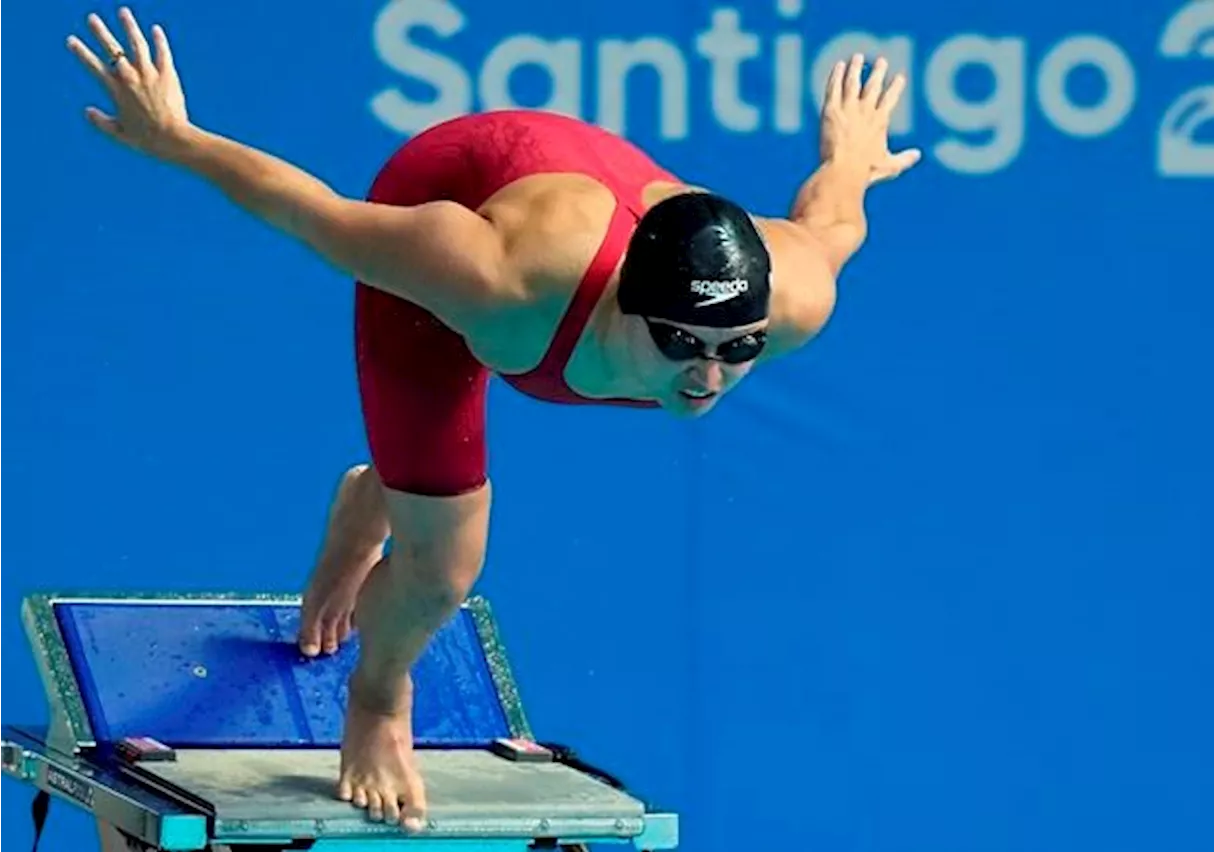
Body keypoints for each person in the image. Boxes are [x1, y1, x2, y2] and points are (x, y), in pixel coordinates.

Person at [66, 5, 921, 836]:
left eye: (739, 347)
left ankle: (386, 493)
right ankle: (378, 695)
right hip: (459, 191)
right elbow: (316, 217)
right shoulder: (495, 279)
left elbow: (831, 219)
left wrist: (850, 156)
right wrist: (180, 139)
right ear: (629, 306)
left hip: (591, 183)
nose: (709, 375)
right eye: (681, 342)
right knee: (442, 573)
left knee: (427, 511)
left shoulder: (793, 297)